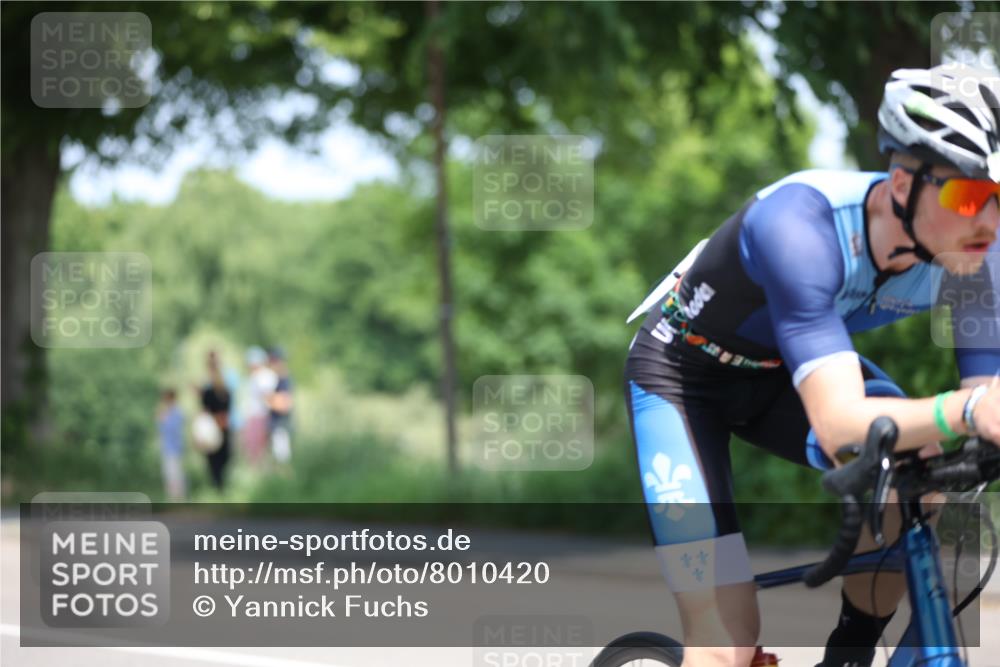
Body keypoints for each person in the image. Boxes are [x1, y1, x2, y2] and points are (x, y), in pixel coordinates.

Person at [624, 65, 1000, 667]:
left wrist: (973, 421)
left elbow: (986, 397)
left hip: (786, 371)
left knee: (912, 483)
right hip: (682, 381)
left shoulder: (981, 254)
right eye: (969, 195)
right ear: (902, 186)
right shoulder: (800, 226)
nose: (989, 220)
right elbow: (839, 423)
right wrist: (971, 410)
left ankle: (847, 654)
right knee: (726, 644)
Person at [239, 346, 278, 467]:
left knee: (260, 449)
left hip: (261, 416)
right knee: (252, 449)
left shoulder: (265, 376)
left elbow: (267, 397)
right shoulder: (253, 377)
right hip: (253, 416)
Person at [201, 350, 232, 490]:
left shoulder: (225, 391)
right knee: (215, 460)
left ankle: (220, 486)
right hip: (214, 428)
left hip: (221, 426)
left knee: (222, 458)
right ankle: (218, 487)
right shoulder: (209, 391)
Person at [156, 388, 186, 501]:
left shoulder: (177, 412)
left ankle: (178, 498)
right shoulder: (166, 412)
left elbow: (173, 428)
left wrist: (163, 419)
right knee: (169, 474)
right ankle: (173, 497)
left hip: (175, 448)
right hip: (167, 448)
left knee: (176, 474)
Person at [266, 346, 294, 465]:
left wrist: (268, 399)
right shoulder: (275, 378)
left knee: (282, 460)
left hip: (281, 426)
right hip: (275, 425)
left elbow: (284, 404)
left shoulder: (284, 379)